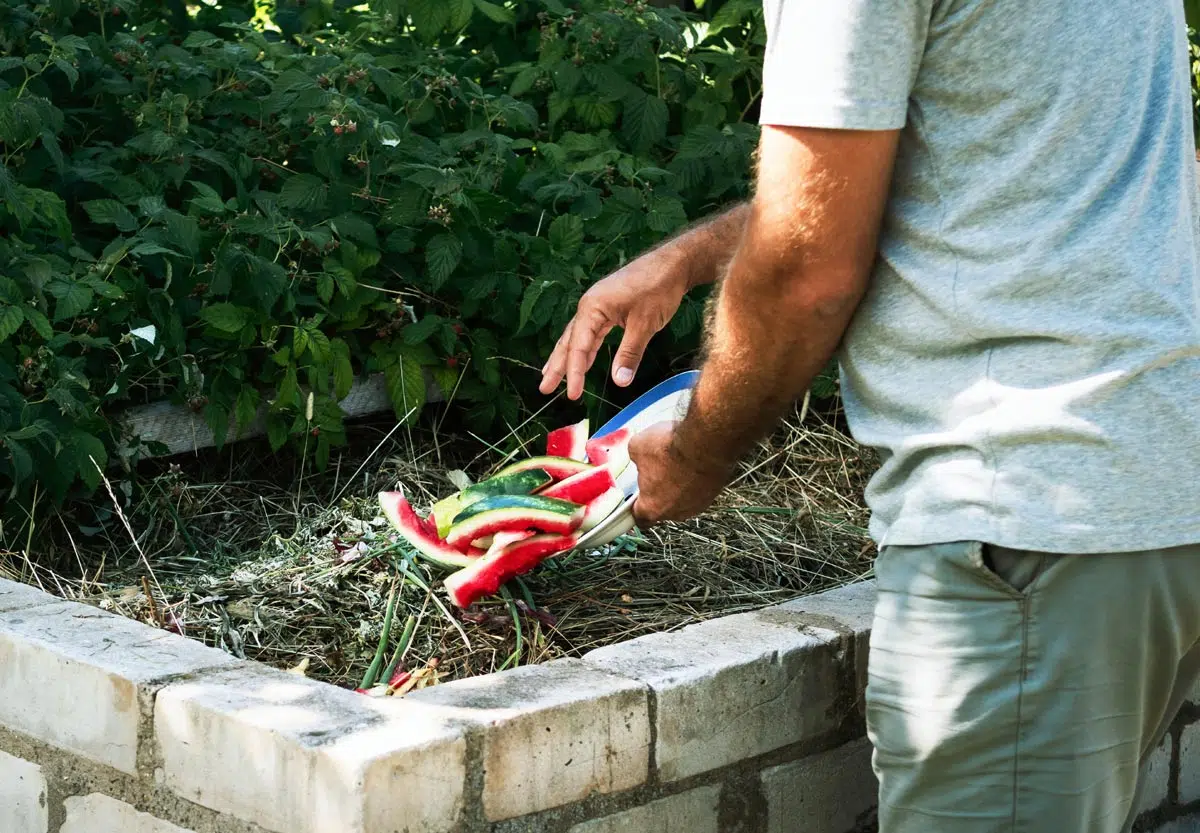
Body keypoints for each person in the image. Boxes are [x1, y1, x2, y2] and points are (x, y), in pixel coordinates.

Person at [539, 1, 1200, 831]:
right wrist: (691, 256)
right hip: (1145, 492)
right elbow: (975, 169)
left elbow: (806, 274)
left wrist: (695, 457)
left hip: (1024, 513)